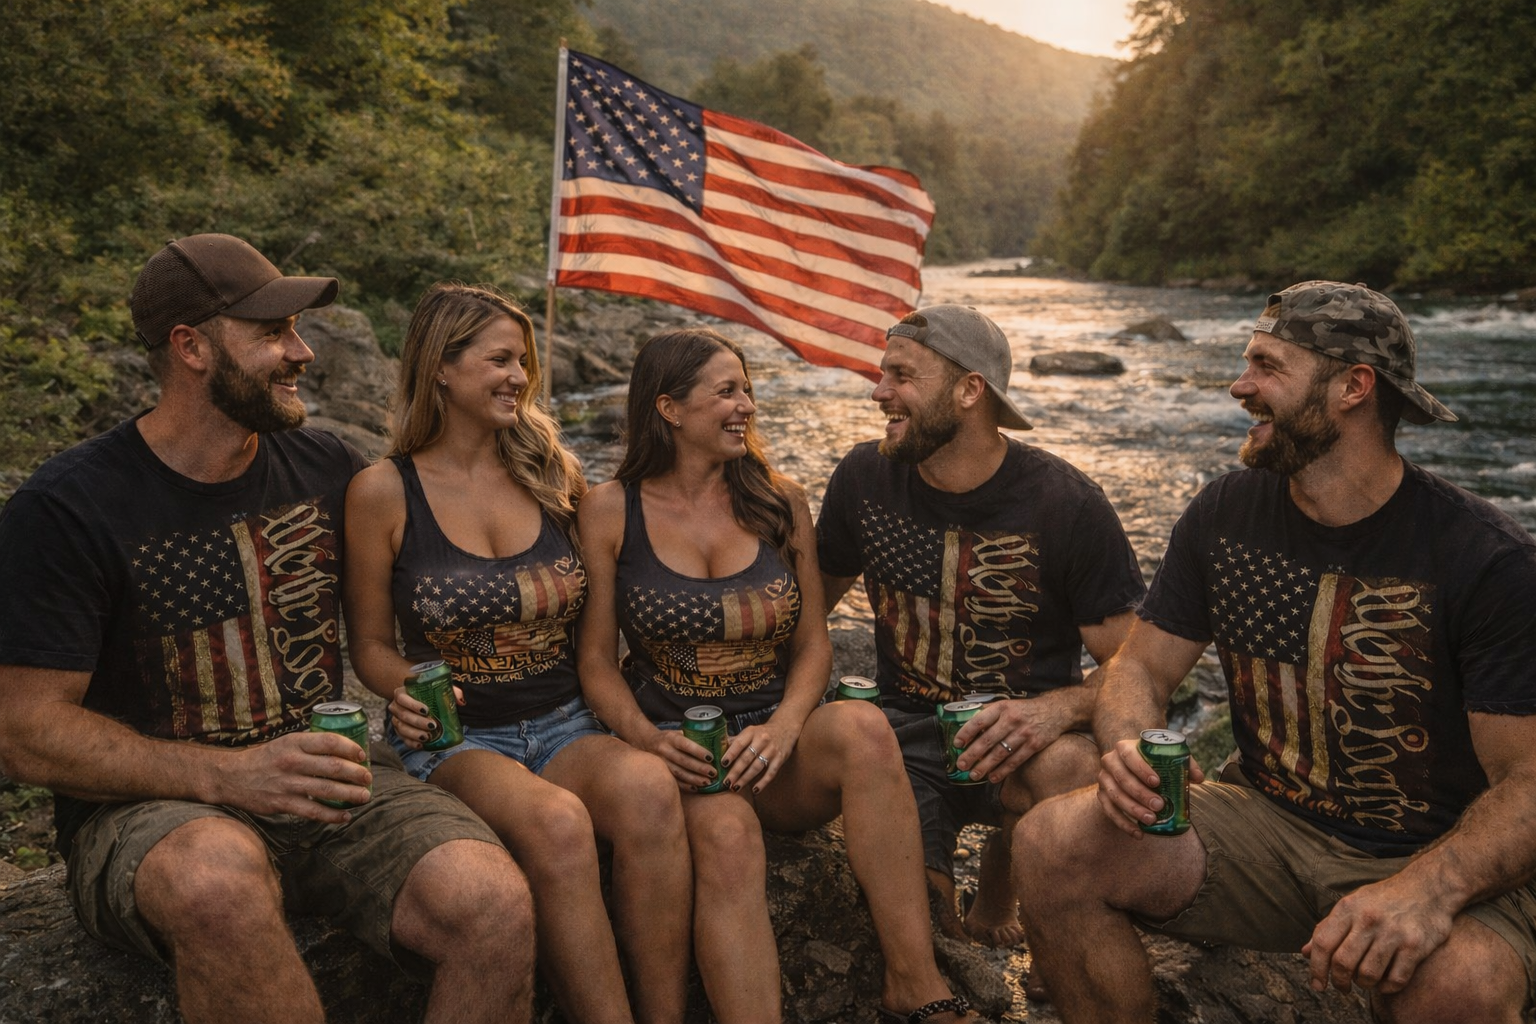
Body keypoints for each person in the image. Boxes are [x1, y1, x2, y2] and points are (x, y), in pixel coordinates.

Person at [0, 235, 535, 1024]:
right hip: (151, 808)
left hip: (333, 777)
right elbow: (23, 731)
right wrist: (228, 776)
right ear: (191, 347)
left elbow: (424, 597)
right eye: (272, 333)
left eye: (297, 330)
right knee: (216, 884)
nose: (303, 352)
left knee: (491, 901)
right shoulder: (68, 508)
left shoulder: (327, 467)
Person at [1015, 281, 1536, 1023]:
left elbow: (1529, 780)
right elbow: (1138, 665)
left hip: (1436, 850)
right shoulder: (1225, 512)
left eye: (1266, 365)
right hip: (1269, 824)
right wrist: (1128, 741)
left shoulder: (1485, 559)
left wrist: (1428, 890)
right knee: (1049, 844)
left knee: (1459, 985)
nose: (1239, 385)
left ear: (1355, 387)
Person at [577, 328, 970, 1024]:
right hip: (685, 762)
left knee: (864, 727)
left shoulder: (780, 500)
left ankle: (915, 978)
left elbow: (814, 645)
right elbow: (597, 665)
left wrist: (788, 724)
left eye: (748, 390)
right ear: (668, 408)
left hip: (777, 754)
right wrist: (644, 739)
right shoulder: (612, 509)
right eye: (726, 392)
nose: (746, 407)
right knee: (728, 837)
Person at [344, 283, 693, 1024]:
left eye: (524, 361)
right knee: (557, 823)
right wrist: (405, 686)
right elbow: (370, 645)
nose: (519, 377)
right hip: (461, 740)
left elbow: (605, 628)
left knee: (650, 791)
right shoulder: (383, 491)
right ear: (441, 366)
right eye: (500, 359)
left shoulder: (553, 474)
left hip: (569, 722)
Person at [816, 304, 1145, 948]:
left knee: (1077, 771)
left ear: (971, 390)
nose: (879, 392)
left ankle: (1005, 876)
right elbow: (806, 610)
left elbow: (1135, 663)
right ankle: (953, 894)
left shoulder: (1067, 503)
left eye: (901, 376)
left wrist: (1056, 710)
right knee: (934, 938)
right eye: (883, 374)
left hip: (1024, 742)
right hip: (902, 739)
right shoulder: (863, 477)